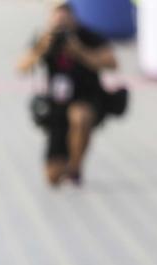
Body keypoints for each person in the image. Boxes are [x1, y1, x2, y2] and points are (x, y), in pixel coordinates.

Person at [17, 1, 117, 187]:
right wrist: (40, 49)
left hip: (87, 97)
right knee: (53, 177)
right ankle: (65, 162)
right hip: (57, 104)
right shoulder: (46, 38)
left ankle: (75, 167)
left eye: (65, 15)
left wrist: (79, 51)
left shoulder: (87, 36)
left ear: (73, 16)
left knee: (80, 117)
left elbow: (112, 63)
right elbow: (21, 67)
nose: (61, 21)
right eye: (57, 16)